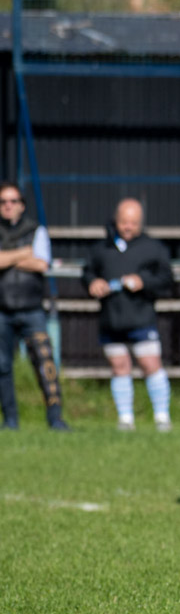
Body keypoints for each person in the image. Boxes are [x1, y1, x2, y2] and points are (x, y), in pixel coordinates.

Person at [83, 199, 175, 431]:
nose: (127, 227)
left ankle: (162, 417)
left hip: (141, 316)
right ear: (116, 220)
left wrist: (144, 282)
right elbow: (87, 273)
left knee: (151, 364)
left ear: (140, 223)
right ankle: (125, 419)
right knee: (119, 366)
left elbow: (167, 280)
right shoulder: (100, 248)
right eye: (124, 221)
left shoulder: (154, 248)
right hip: (111, 318)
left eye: (133, 223)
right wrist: (93, 283)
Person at [0, 182, 69, 431]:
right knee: (2, 366)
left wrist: (7, 257)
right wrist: (23, 254)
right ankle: (10, 420)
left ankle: (55, 419)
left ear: (22, 205)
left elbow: (41, 264)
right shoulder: (20, 237)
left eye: (13, 201)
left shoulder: (36, 230)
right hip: (2, 310)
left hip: (31, 308)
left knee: (45, 363)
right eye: (3, 202)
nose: (8, 206)